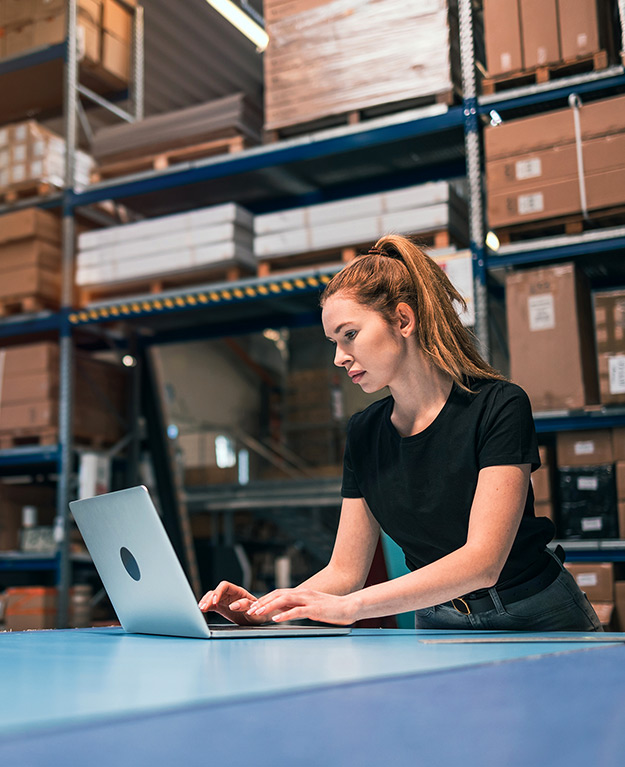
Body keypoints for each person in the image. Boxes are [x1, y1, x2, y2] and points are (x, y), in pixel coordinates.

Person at [198, 234, 602, 632]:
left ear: (403, 320)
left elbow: (483, 562)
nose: (339, 358)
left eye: (349, 335)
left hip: (536, 614)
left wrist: (352, 607)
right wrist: (267, 609)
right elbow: (344, 571)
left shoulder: (499, 406)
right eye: (333, 342)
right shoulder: (363, 432)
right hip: (439, 619)